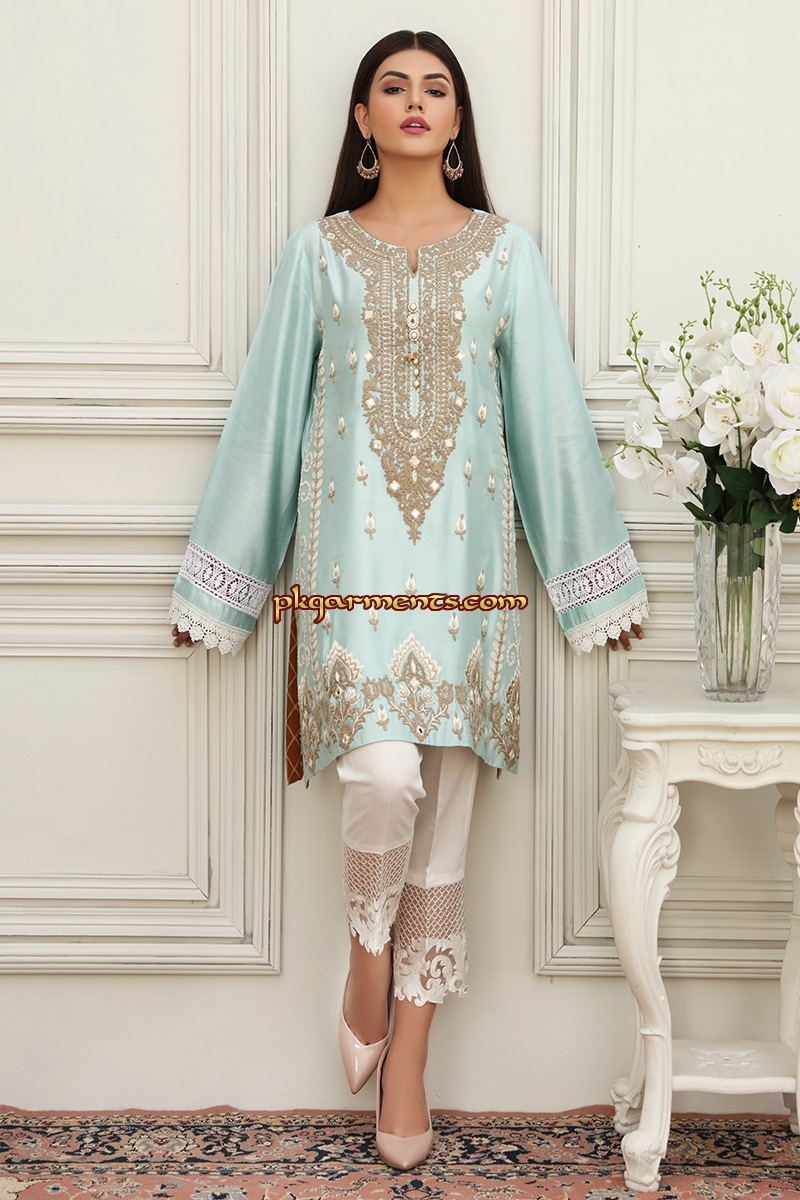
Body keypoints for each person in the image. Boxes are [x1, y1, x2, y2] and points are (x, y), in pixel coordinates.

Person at [170, 30, 647, 1170]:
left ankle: (410, 1063)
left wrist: (592, 580)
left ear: (457, 118)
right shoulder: (320, 255)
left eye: (436, 88)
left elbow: (546, 418)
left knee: (448, 824)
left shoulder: (504, 255)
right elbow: (267, 418)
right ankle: (366, 962)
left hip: (471, 584)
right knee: (384, 778)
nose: (416, 101)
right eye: (394, 86)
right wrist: (222, 585)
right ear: (362, 117)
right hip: (350, 577)